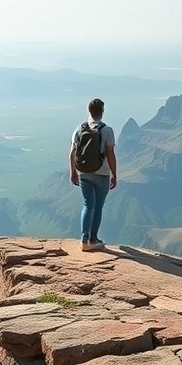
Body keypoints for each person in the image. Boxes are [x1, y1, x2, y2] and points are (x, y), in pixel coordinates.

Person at [69, 98, 117, 251]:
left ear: (89, 111)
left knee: (88, 204)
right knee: (98, 206)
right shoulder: (106, 130)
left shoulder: (79, 129)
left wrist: (73, 172)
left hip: (84, 173)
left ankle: (84, 239)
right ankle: (93, 239)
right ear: (102, 112)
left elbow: (72, 153)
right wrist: (114, 174)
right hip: (101, 174)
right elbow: (110, 154)